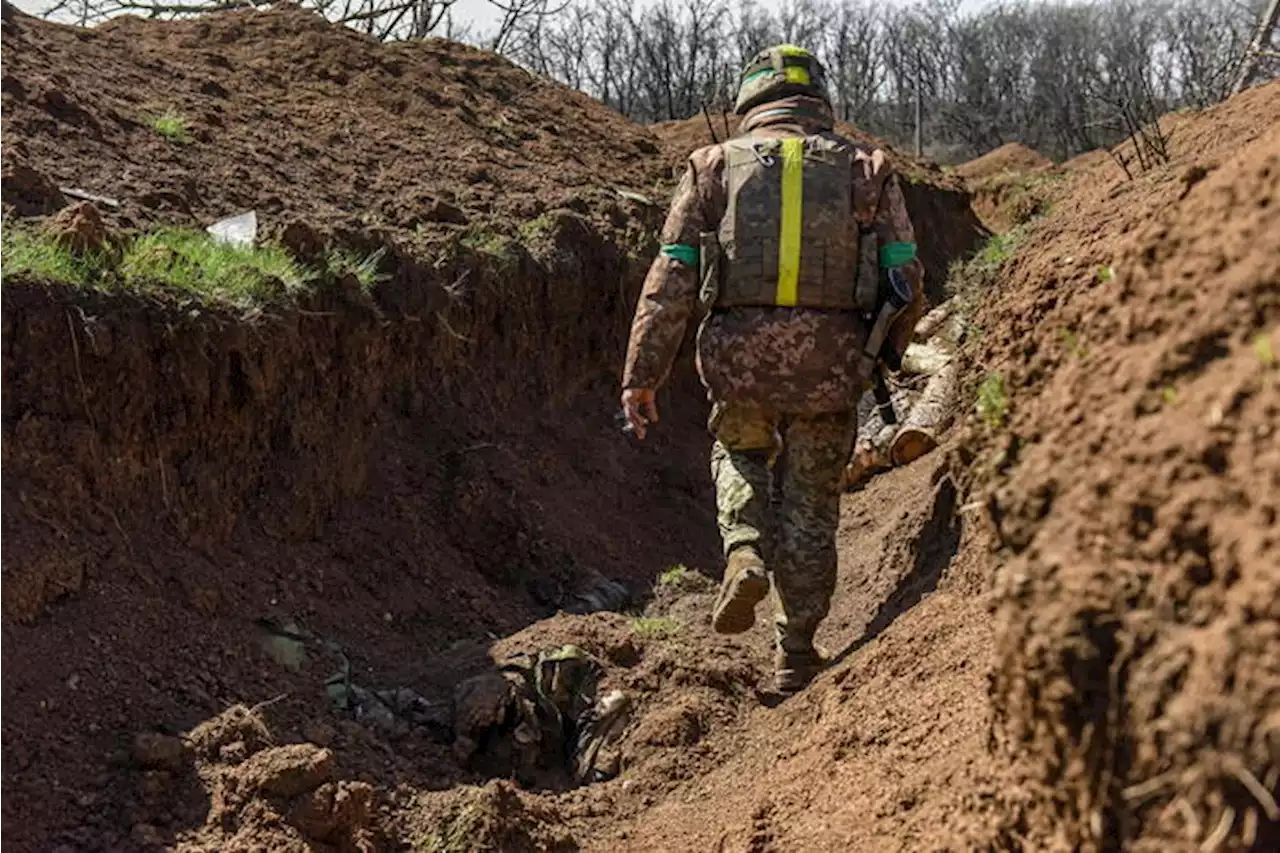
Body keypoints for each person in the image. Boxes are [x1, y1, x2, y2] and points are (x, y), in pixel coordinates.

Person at [620, 44, 926, 695]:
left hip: (739, 364)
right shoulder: (865, 168)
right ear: (820, 102)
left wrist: (641, 374)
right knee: (813, 503)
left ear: (750, 102)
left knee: (738, 452)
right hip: (833, 365)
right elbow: (905, 271)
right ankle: (794, 652)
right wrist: (891, 350)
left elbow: (671, 275)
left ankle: (745, 550)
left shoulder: (710, 167)